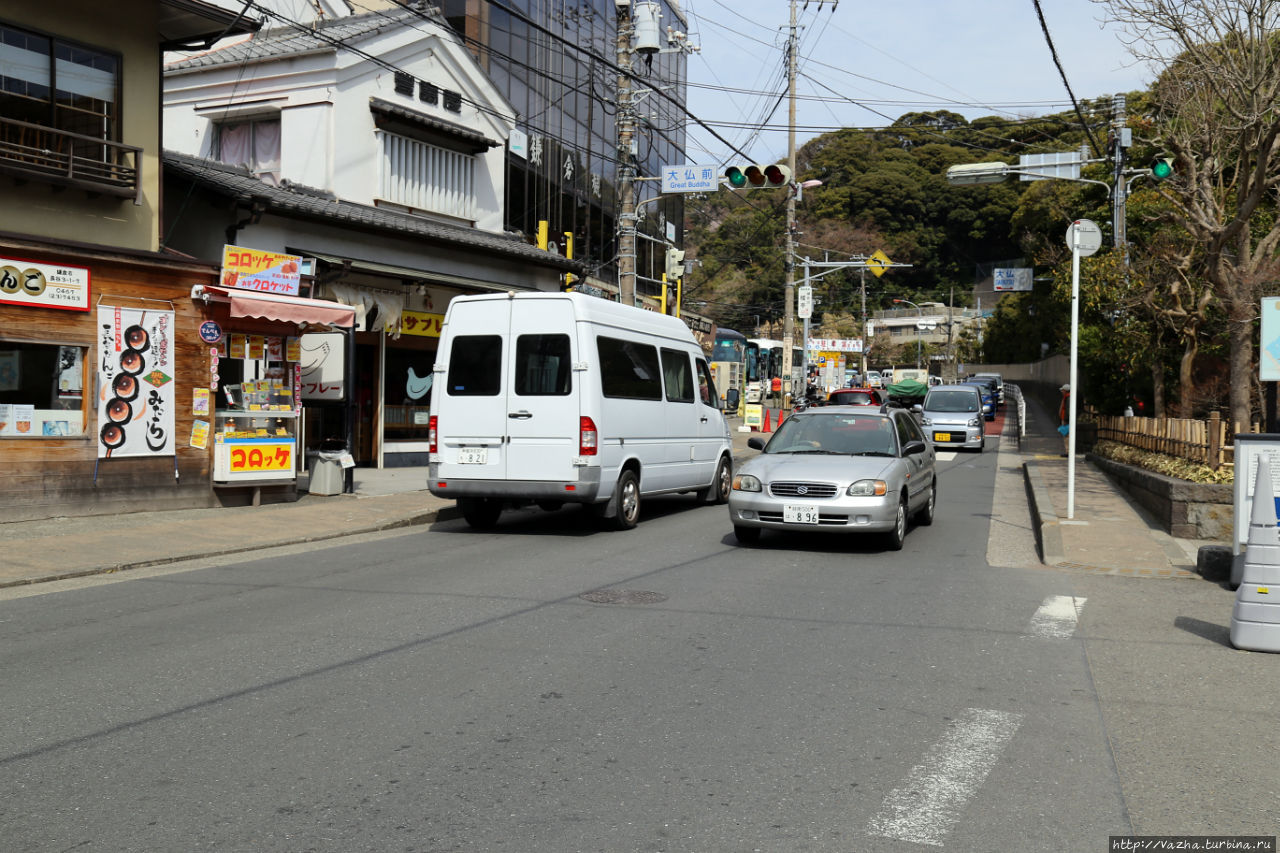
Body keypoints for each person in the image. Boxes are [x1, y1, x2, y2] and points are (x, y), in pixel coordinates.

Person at [1058, 383, 1071, 456]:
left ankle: (1068, 452)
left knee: (1066, 436)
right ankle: (1068, 451)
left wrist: (1066, 420)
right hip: (1065, 419)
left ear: (1066, 391)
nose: (1061, 392)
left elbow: (1068, 410)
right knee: (1066, 436)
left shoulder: (1068, 398)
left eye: (1062, 390)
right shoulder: (1066, 397)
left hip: (1066, 420)